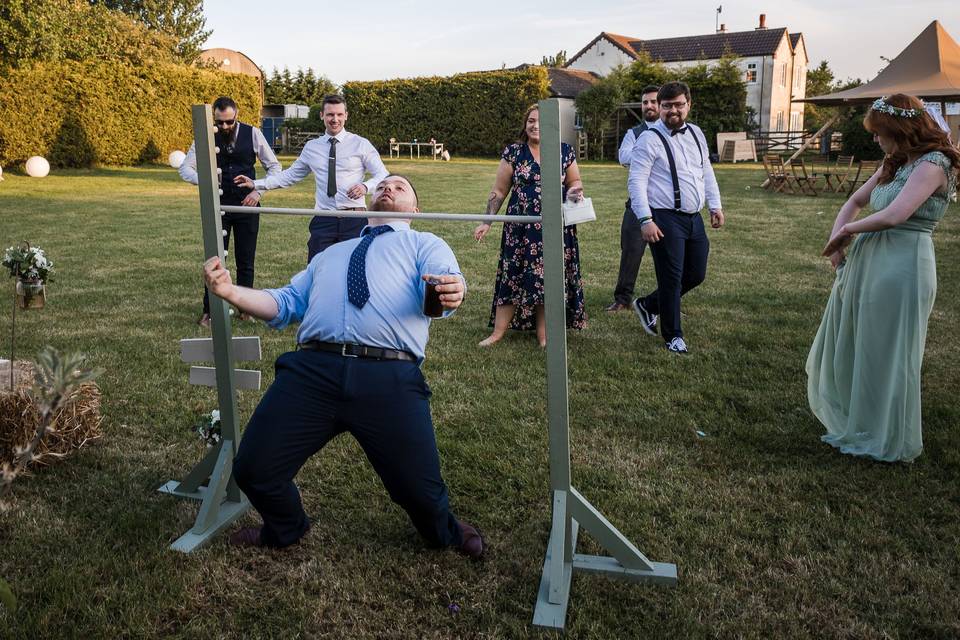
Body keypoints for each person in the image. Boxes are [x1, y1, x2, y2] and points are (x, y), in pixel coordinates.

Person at [202, 174, 484, 557]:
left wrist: (454, 290)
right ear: (367, 202)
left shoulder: (426, 244)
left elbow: (445, 285)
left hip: (388, 376)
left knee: (420, 492)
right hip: (311, 371)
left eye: (401, 187)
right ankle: (286, 527)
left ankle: (444, 533)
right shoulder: (329, 255)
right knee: (254, 468)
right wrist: (229, 292)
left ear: (416, 211)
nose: (388, 188)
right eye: (384, 184)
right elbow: (285, 304)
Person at [808, 94, 959, 463]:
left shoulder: (934, 164)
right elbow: (854, 201)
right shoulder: (893, 162)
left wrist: (850, 232)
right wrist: (838, 239)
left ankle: (888, 433)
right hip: (869, 263)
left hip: (904, 265)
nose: (875, 139)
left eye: (879, 132)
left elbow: (896, 214)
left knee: (892, 350)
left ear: (899, 129)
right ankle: (862, 421)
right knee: (863, 343)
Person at [473, 105, 587, 347]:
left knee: (549, 279)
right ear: (525, 125)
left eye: (540, 121)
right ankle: (497, 332)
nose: (535, 125)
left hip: (556, 227)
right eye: (531, 121)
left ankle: (544, 336)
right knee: (512, 275)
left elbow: (575, 180)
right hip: (520, 229)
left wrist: (576, 192)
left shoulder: (564, 151)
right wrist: (487, 221)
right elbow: (499, 190)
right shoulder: (514, 152)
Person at [627, 81, 724, 354]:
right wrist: (645, 220)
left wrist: (715, 205)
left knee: (696, 274)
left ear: (688, 105)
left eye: (678, 105)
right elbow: (636, 181)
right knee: (671, 277)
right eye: (667, 106)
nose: (673, 111)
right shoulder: (648, 139)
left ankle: (648, 305)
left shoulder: (695, 133)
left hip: (693, 218)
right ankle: (673, 336)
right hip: (664, 217)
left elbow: (706, 171)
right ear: (659, 107)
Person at [235, 95, 389, 262]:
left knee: (352, 271)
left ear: (346, 115)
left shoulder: (361, 144)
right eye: (330, 114)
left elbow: (383, 175)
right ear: (322, 115)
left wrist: (365, 187)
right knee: (316, 271)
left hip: (354, 219)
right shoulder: (312, 147)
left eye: (339, 114)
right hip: (323, 220)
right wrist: (256, 184)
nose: (335, 119)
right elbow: (290, 176)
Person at [179, 96, 282, 328]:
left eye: (229, 122)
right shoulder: (205, 137)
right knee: (215, 260)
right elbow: (185, 168)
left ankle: (246, 309)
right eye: (220, 122)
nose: (224, 127)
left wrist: (258, 192)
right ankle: (210, 311)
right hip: (217, 206)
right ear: (213, 118)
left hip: (248, 205)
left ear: (237, 115)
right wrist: (206, 181)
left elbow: (275, 167)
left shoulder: (253, 133)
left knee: (246, 260)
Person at [606, 85, 660, 312]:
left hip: (664, 206)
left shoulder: (671, 131)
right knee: (630, 252)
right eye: (645, 102)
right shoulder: (634, 133)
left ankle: (666, 300)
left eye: (653, 101)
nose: (649, 105)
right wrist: (648, 150)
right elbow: (624, 156)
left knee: (669, 259)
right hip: (637, 205)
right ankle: (622, 299)